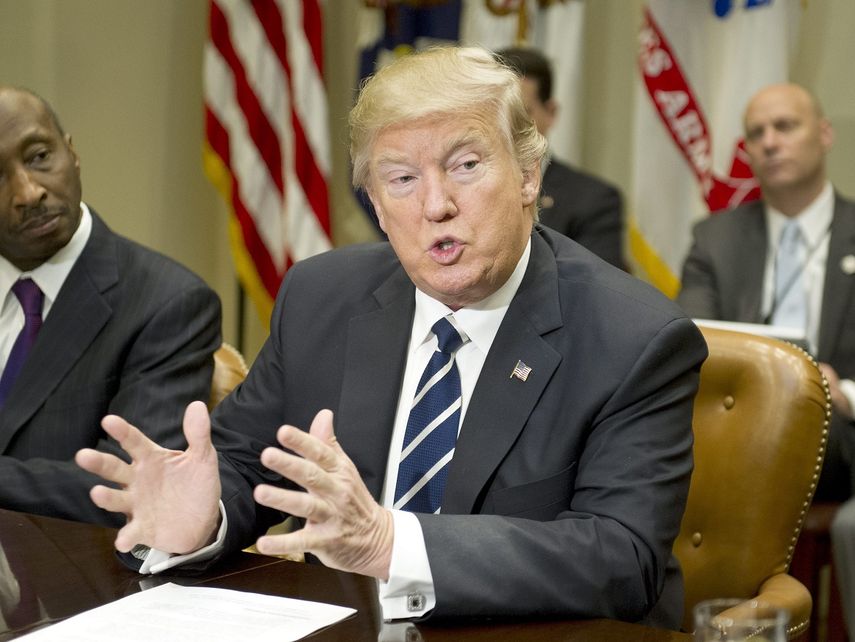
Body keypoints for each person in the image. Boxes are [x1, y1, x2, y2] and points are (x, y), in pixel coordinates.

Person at [76, 46, 707, 628]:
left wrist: (390, 544)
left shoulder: (635, 339)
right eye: (401, 179)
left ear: (528, 176)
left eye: (465, 165)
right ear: (376, 205)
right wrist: (205, 518)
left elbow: (621, 559)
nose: (436, 206)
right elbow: (247, 462)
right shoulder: (322, 297)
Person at [675, 83, 855, 634]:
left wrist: (841, 392)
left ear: (824, 134)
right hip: (737, 438)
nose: (770, 142)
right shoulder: (716, 238)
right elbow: (697, 344)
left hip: (843, 439)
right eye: (756, 133)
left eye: (785, 126)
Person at [0, 86, 222, 527]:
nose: (29, 192)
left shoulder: (169, 304)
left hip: (69, 564)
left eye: (40, 157)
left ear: (71, 153)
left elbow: (127, 485)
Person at [493, 46, 627, 270]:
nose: (506, 127)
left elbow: (594, 287)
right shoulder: (455, 192)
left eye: (521, 114)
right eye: (495, 114)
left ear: (551, 113)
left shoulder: (593, 201)